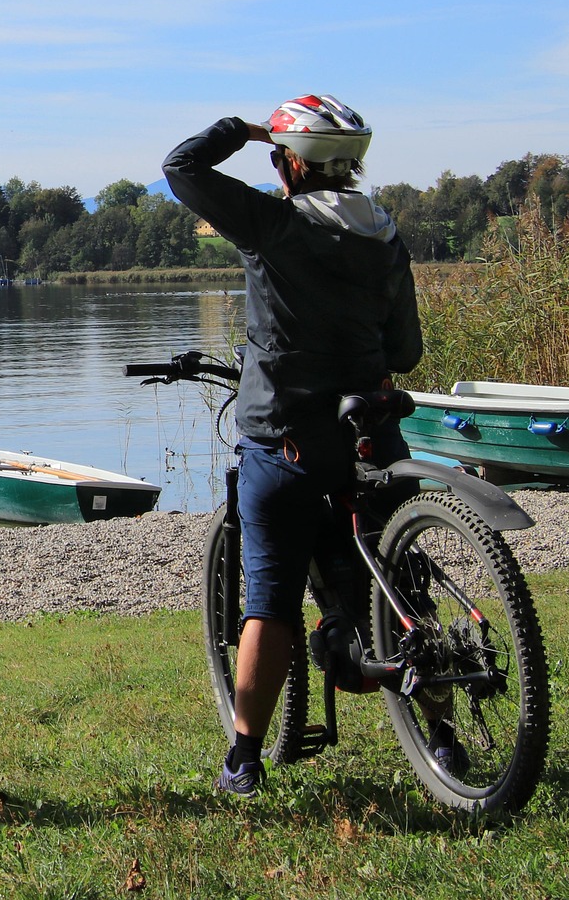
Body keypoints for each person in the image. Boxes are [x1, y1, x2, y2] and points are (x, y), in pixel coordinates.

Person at [162, 95, 422, 797]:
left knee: (269, 600)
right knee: (398, 588)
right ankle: (446, 742)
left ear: (288, 162)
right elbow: (406, 348)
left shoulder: (275, 224)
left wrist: (239, 131)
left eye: (279, 154)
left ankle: (244, 760)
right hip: (371, 438)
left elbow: (180, 167)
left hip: (286, 440)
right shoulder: (385, 234)